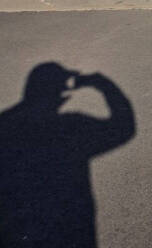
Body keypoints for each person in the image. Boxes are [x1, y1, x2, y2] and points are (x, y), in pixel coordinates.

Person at [0, 62, 135, 248]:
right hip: (69, 232)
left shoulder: (4, 125)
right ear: (59, 92)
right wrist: (102, 83)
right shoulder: (70, 127)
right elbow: (123, 127)